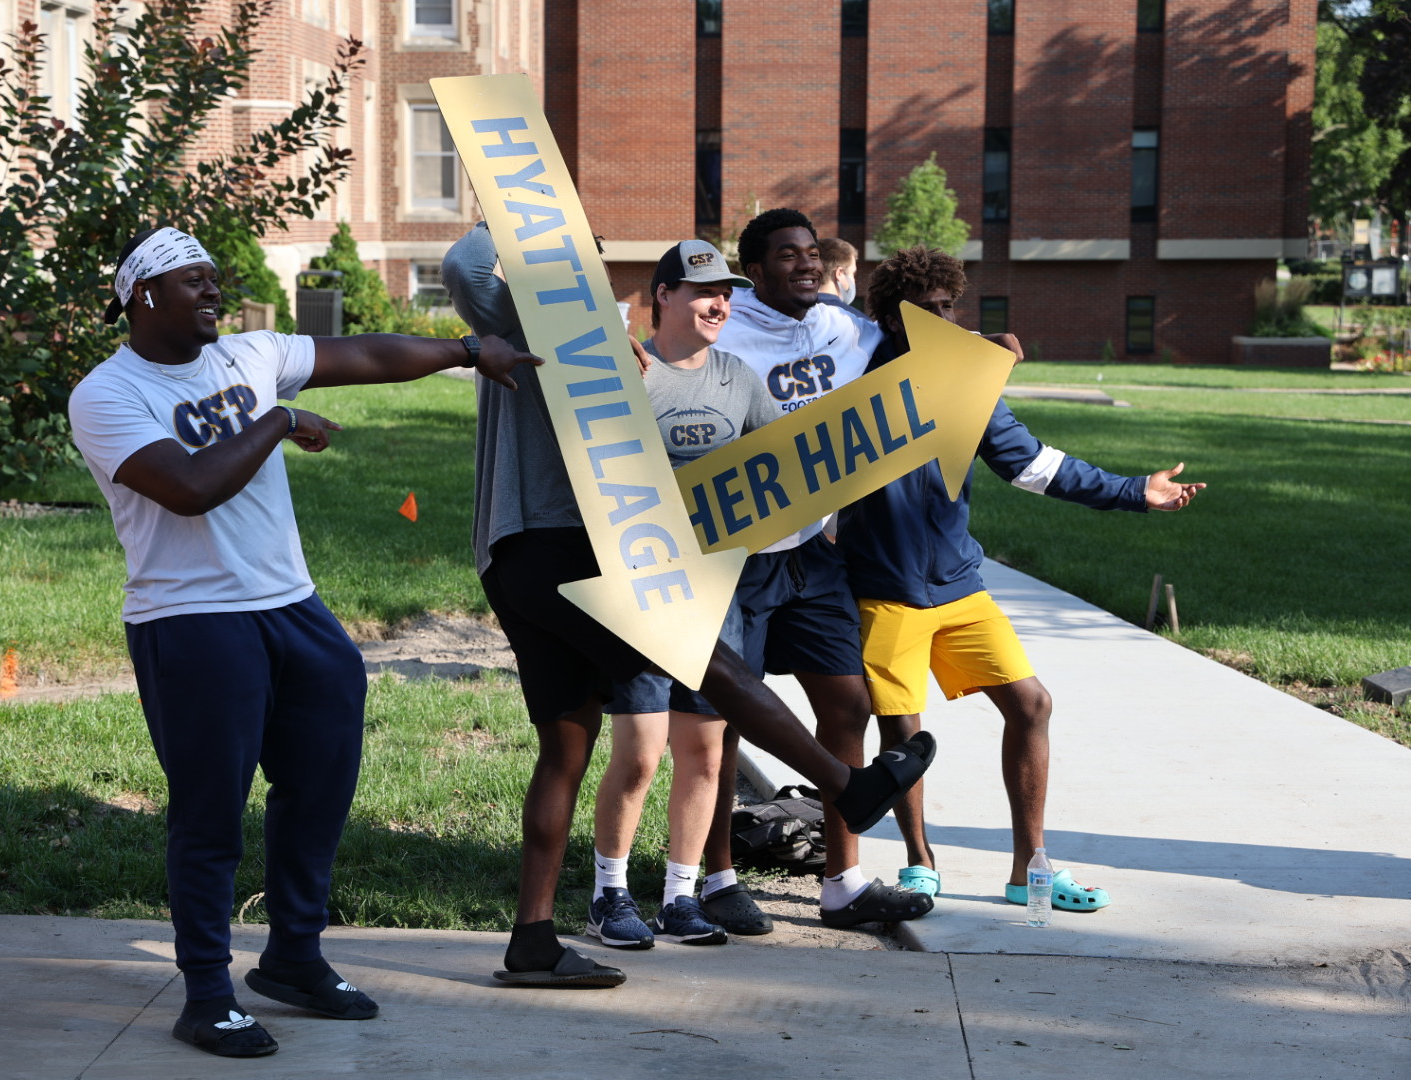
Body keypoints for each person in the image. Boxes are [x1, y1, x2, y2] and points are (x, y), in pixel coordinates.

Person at [68, 226, 540, 1058]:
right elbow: (188, 487)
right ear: (142, 298)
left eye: (216, 278)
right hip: (190, 621)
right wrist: (278, 417)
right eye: (193, 282)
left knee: (319, 789)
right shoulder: (108, 394)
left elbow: (360, 353)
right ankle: (208, 994)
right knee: (210, 814)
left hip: (295, 608)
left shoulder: (244, 353)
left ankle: (292, 957)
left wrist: (466, 349)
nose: (213, 291)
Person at [442, 221, 936, 989]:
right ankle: (848, 788)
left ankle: (533, 941)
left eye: (596, 255)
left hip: (550, 556)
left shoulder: (616, 341)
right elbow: (466, 262)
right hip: (552, 546)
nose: (590, 265)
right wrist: (515, 210)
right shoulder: (521, 316)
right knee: (708, 663)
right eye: (577, 252)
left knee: (565, 752)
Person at [838, 244, 1205, 912]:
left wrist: (1132, 491)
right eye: (934, 309)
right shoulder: (859, 381)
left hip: (957, 583)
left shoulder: (967, 383)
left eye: (954, 305)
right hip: (881, 587)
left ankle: (1029, 870)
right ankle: (921, 862)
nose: (951, 317)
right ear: (896, 318)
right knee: (902, 731)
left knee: (1031, 703)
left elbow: (1033, 466)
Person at [713, 209, 937, 931]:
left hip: (812, 552)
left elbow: (916, 349)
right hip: (737, 556)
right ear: (754, 267)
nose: (806, 264)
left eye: (812, 253)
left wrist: (985, 350)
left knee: (849, 705)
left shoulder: (843, 329)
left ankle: (842, 885)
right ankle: (715, 878)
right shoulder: (727, 329)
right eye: (787, 255)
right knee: (724, 719)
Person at [588, 241, 777, 951]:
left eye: (725, 292)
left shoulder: (738, 377)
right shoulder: (627, 370)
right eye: (702, 291)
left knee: (704, 752)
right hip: (643, 588)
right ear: (661, 295)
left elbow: (778, 463)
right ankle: (608, 894)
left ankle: (680, 896)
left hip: (716, 591)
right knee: (640, 752)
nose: (719, 303)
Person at [815, 236, 869, 323]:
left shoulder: (789, 314)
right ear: (840, 273)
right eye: (853, 273)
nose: (853, 280)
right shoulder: (860, 323)